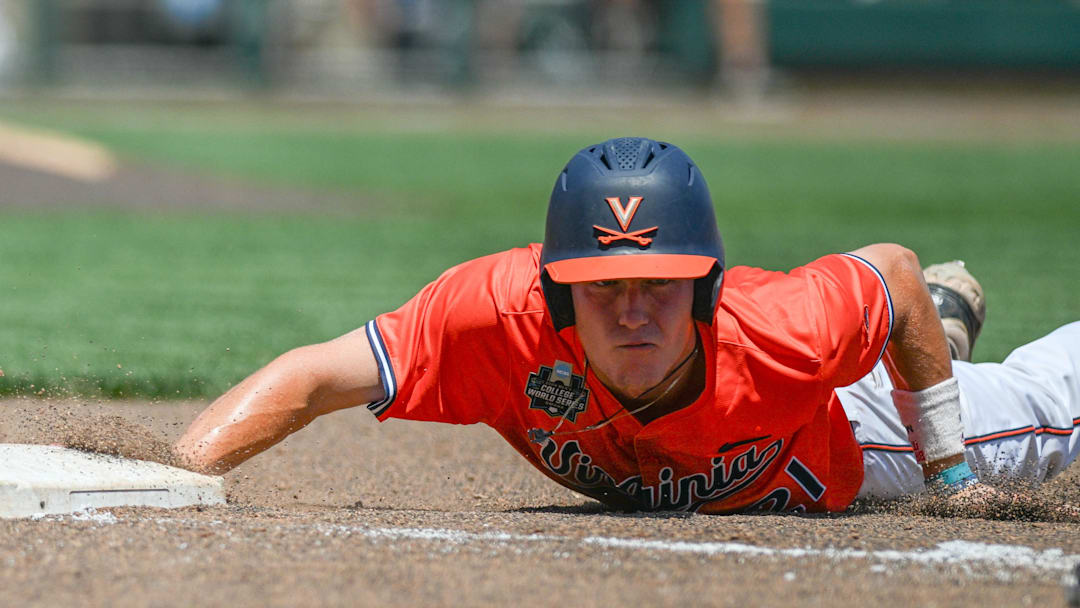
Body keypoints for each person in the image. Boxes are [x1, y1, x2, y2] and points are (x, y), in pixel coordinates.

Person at [174, 137, 1080, 514]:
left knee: (1052, 412)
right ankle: (938, 343)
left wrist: (951, 470)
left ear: (707, 288)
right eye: (604, 289)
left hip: (846, 429)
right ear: (558, 293)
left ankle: (929, 358)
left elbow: (893, 273)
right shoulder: (491, 318)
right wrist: (177, 481)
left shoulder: (780, 328)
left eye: (661, 284)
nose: (635, 308)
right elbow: (313, 377)